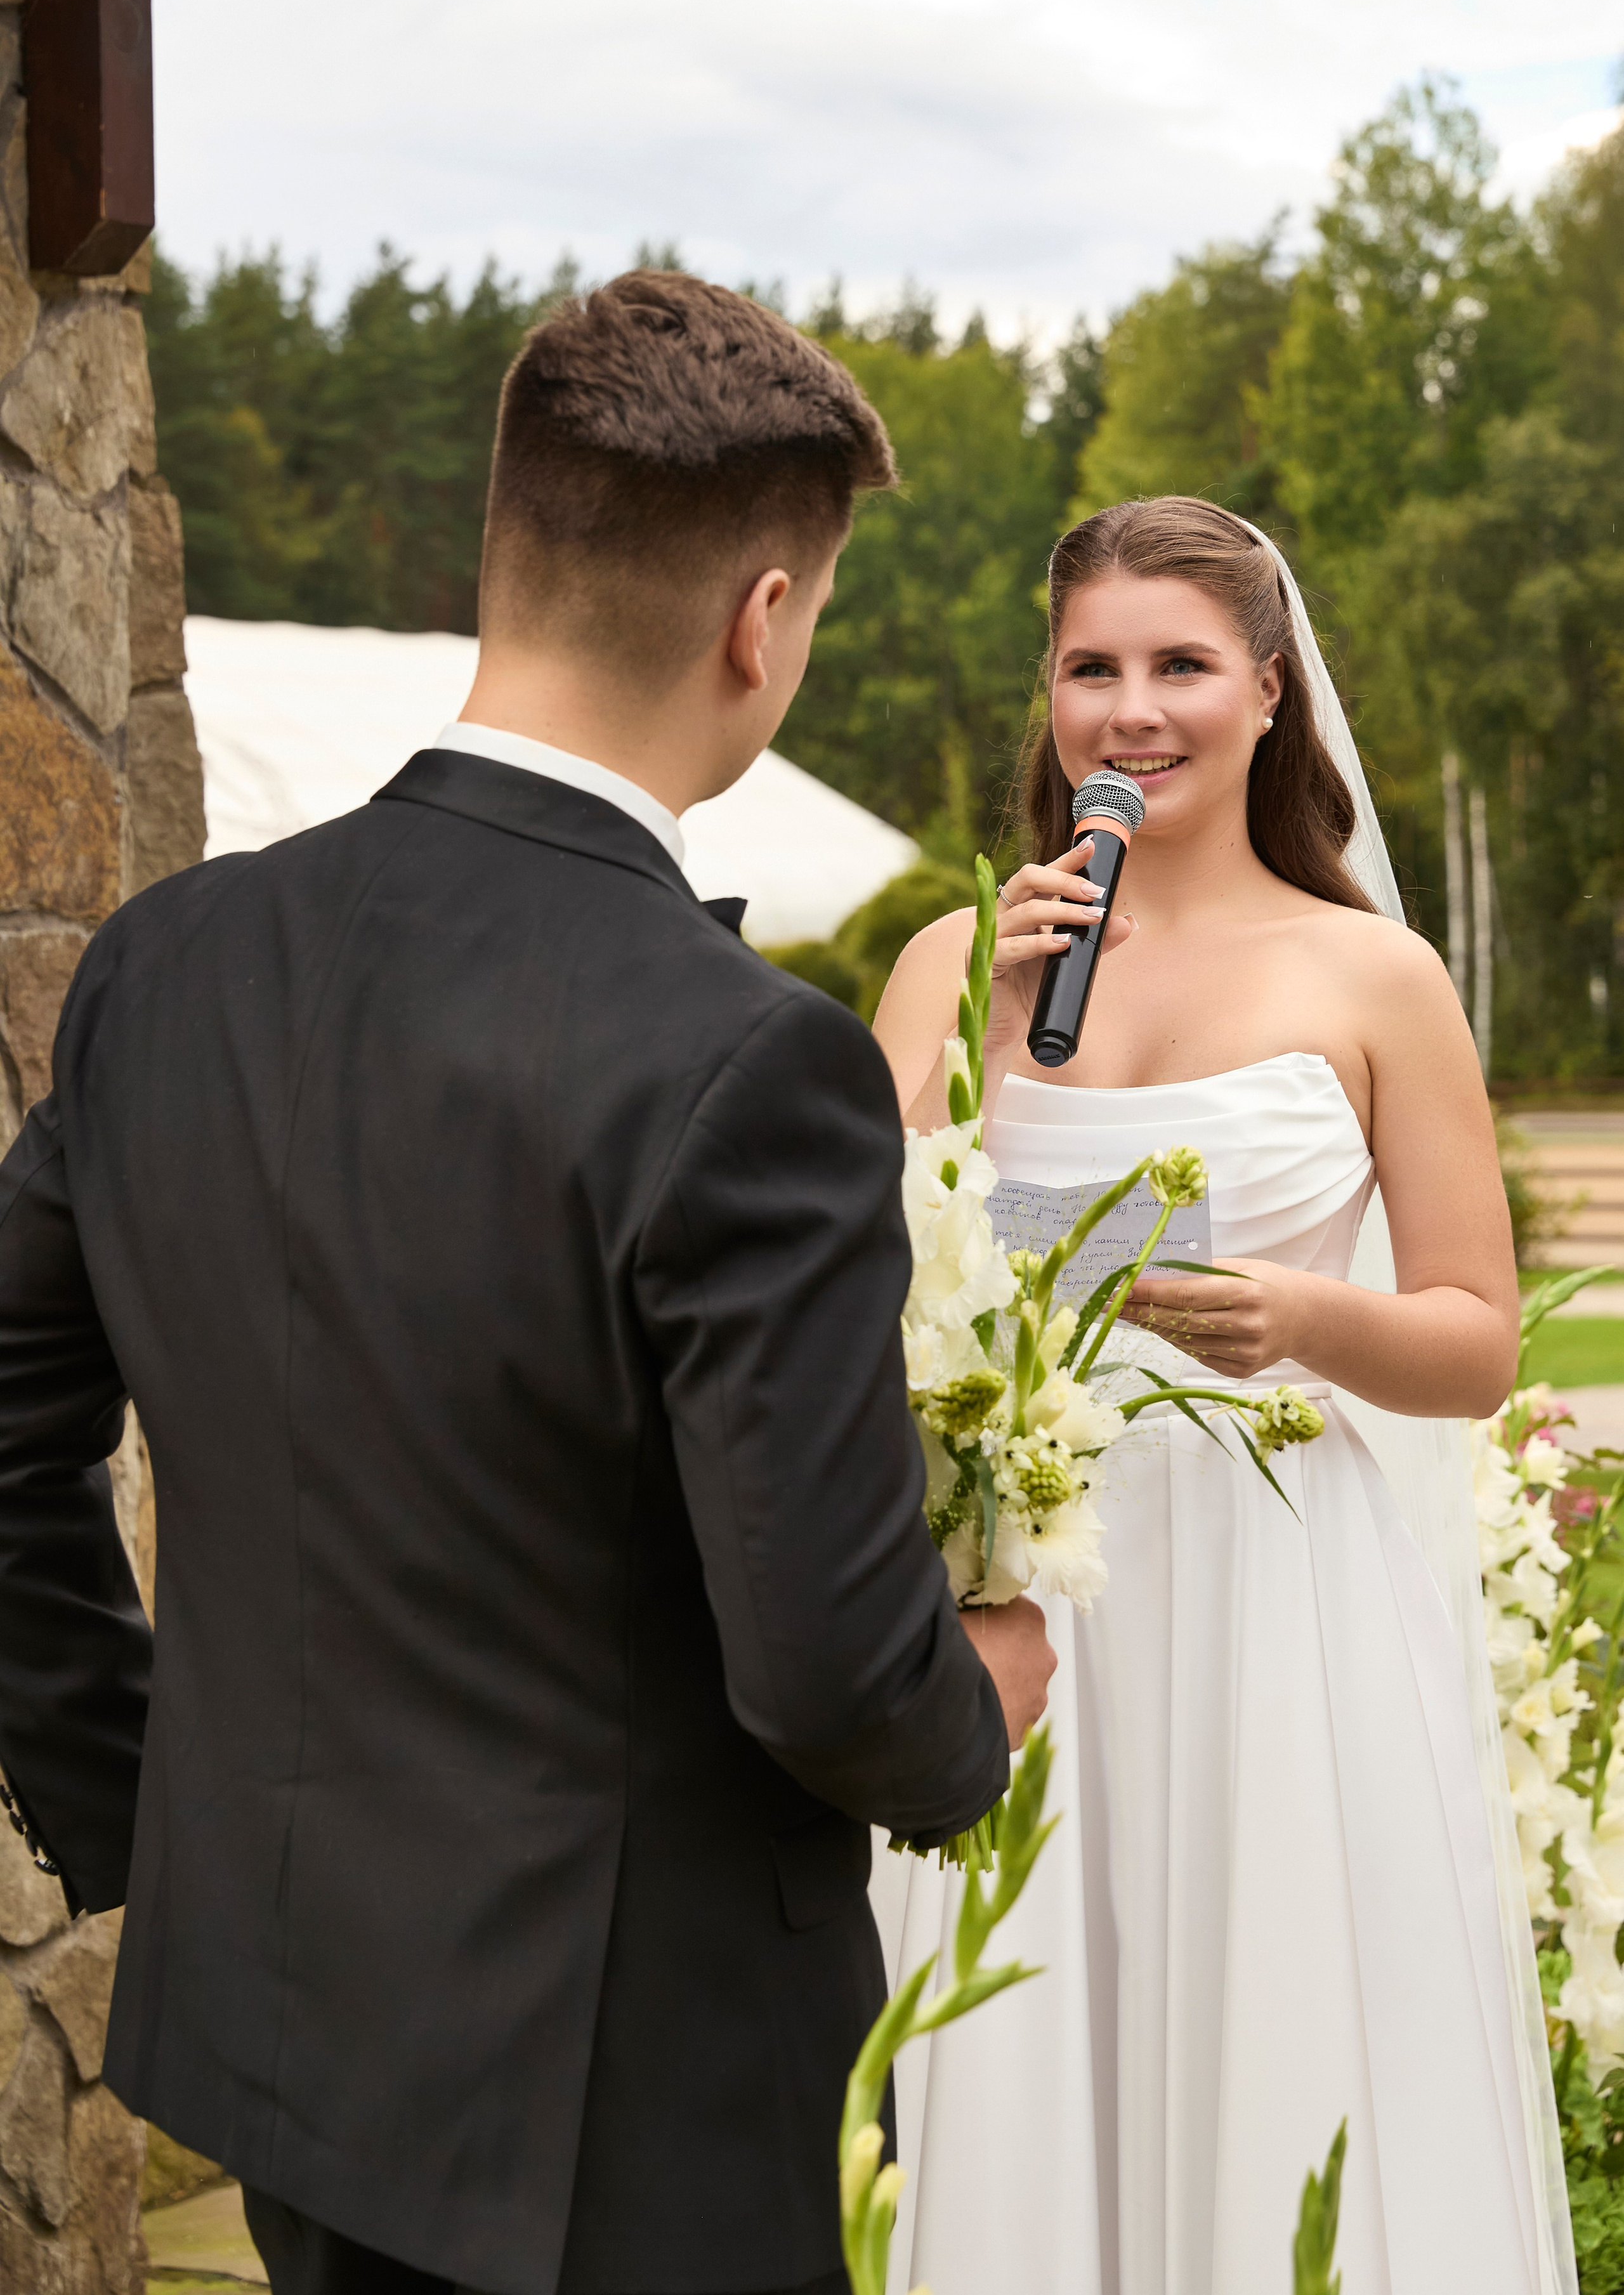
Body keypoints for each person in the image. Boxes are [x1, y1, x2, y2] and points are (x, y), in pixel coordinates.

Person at [0, 273, 1059, 2295]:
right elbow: (831, 1664)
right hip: (639, 2104)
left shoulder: (170, 964)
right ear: (764, 620)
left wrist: (153, 1816)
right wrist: (973, 1709)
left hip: (288, 2034)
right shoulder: (749, 1059)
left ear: (508, 549)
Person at [868, 496, 1575, 2295]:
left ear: (1269, 693)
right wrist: (977, 1043)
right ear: (1050, 699)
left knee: (1276, 2058)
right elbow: (864, 1286)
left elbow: (1480, 1333)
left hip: (1283, 1604)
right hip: (1031, 1606)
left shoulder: (1373, 976)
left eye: (1180, 663)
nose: (1133, 709)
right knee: (1022, 2061)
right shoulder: (957, 963)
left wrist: (1309, 1320)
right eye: (1091, 666)